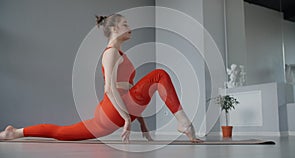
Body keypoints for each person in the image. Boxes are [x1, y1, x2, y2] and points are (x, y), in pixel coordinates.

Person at [0, 14, 202, 143]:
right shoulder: (111, 52)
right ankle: (183, 122)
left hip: (113, 112)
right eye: (125, 24)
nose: (129, 26)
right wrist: (125, 119)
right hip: (114, 109)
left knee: (62, 133)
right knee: (159, 75)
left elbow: (132, 92)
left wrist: (141, 123)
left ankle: (16, 132)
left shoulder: (121, 54)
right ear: (114, 29)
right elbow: (109, 88)